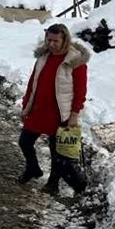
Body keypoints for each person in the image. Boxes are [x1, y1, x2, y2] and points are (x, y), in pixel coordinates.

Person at [19, 23, 90, 194]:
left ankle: (53, 183)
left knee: (56, 151)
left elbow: (80, 91)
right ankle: (32, 168)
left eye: (55, 41)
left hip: (59, 112)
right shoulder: (43, 57)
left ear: (65, 40)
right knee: (25, 142)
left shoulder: (75, 61)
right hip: (38, 109)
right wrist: (26, 105)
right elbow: (32, 83)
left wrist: (74, 114)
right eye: (49, 40)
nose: (51, 44)